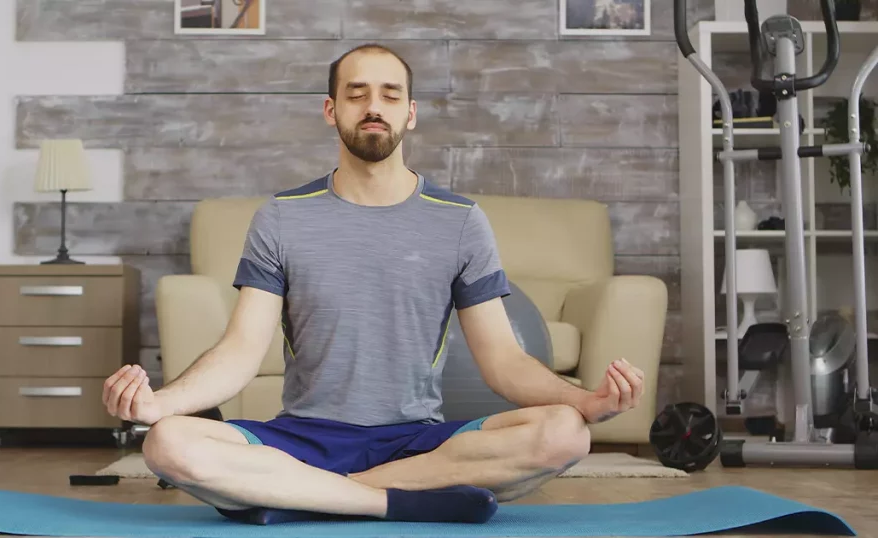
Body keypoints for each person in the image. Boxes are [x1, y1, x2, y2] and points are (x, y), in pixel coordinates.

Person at [102, 43, 646, 526]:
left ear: (410, 113)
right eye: (356, 93)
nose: (373, 107)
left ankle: (303, 500)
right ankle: (389, 503)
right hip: (303, 439)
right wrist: (159, 404)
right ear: (330, 110)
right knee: (169, 442)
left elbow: (504, 361)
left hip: (417, 444)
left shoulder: (459, 220)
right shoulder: (282, 217)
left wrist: (588, 401)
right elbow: (241, 351)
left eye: (390, 94)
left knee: (566, 433)